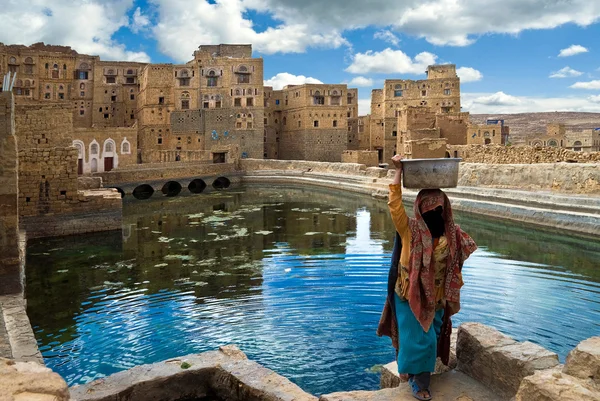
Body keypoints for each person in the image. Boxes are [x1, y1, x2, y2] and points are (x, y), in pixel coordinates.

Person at [377, 155, 477, 400]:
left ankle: (409, 370)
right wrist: (399, 172)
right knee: (418, 342)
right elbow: (394, 204)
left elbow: (467, 248)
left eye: (439, 210)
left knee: (428, 340)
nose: (435, 214)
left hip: (438, 298)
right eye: (430, 210)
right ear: (421, 210)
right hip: (409, 296)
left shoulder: (452, 234)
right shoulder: (410, 230)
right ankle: (420, 385)